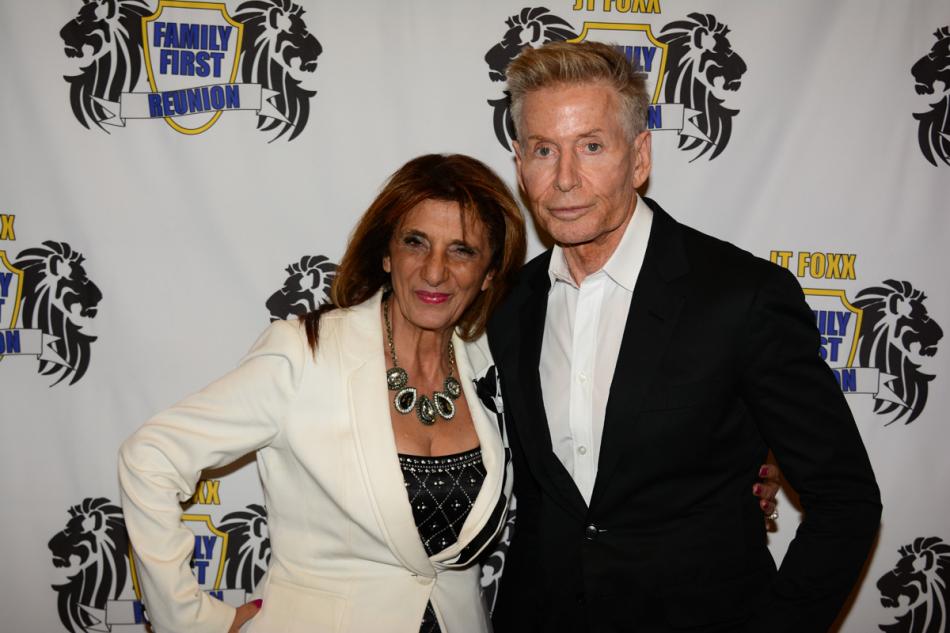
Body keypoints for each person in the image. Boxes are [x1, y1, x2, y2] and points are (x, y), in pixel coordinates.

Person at [487, 41, 882, 633]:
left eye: (591, 146)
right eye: (544, 150)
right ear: (520, 164)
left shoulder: (742, 296)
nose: (565, 178)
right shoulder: (508, 304)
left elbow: (846, 500)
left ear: (639, 157)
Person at [118, 154, 525, 633]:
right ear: (387, 253)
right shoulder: (305, 354)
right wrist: (191, 622)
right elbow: (149, 458)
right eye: (415, 242)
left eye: (462, 251)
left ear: (489, 273)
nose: (434, 272)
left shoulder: (491, 364)